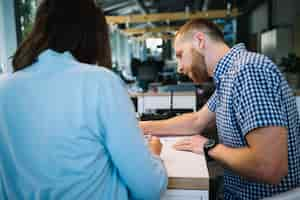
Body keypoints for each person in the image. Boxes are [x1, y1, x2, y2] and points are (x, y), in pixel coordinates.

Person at [0, 0, 167, 199]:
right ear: (94, 36)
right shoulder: (100, 83)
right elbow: (149, 188)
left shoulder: (4, 88)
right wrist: (154, 156)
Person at [140, 19, 300, 199]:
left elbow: (270, 167)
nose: (180, 68)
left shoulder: (247, 70)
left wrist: (209, 147)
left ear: (200, 41)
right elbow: (197, 121)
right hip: (233, 190)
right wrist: (140, 127)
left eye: (180, 55)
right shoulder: (229, 76)